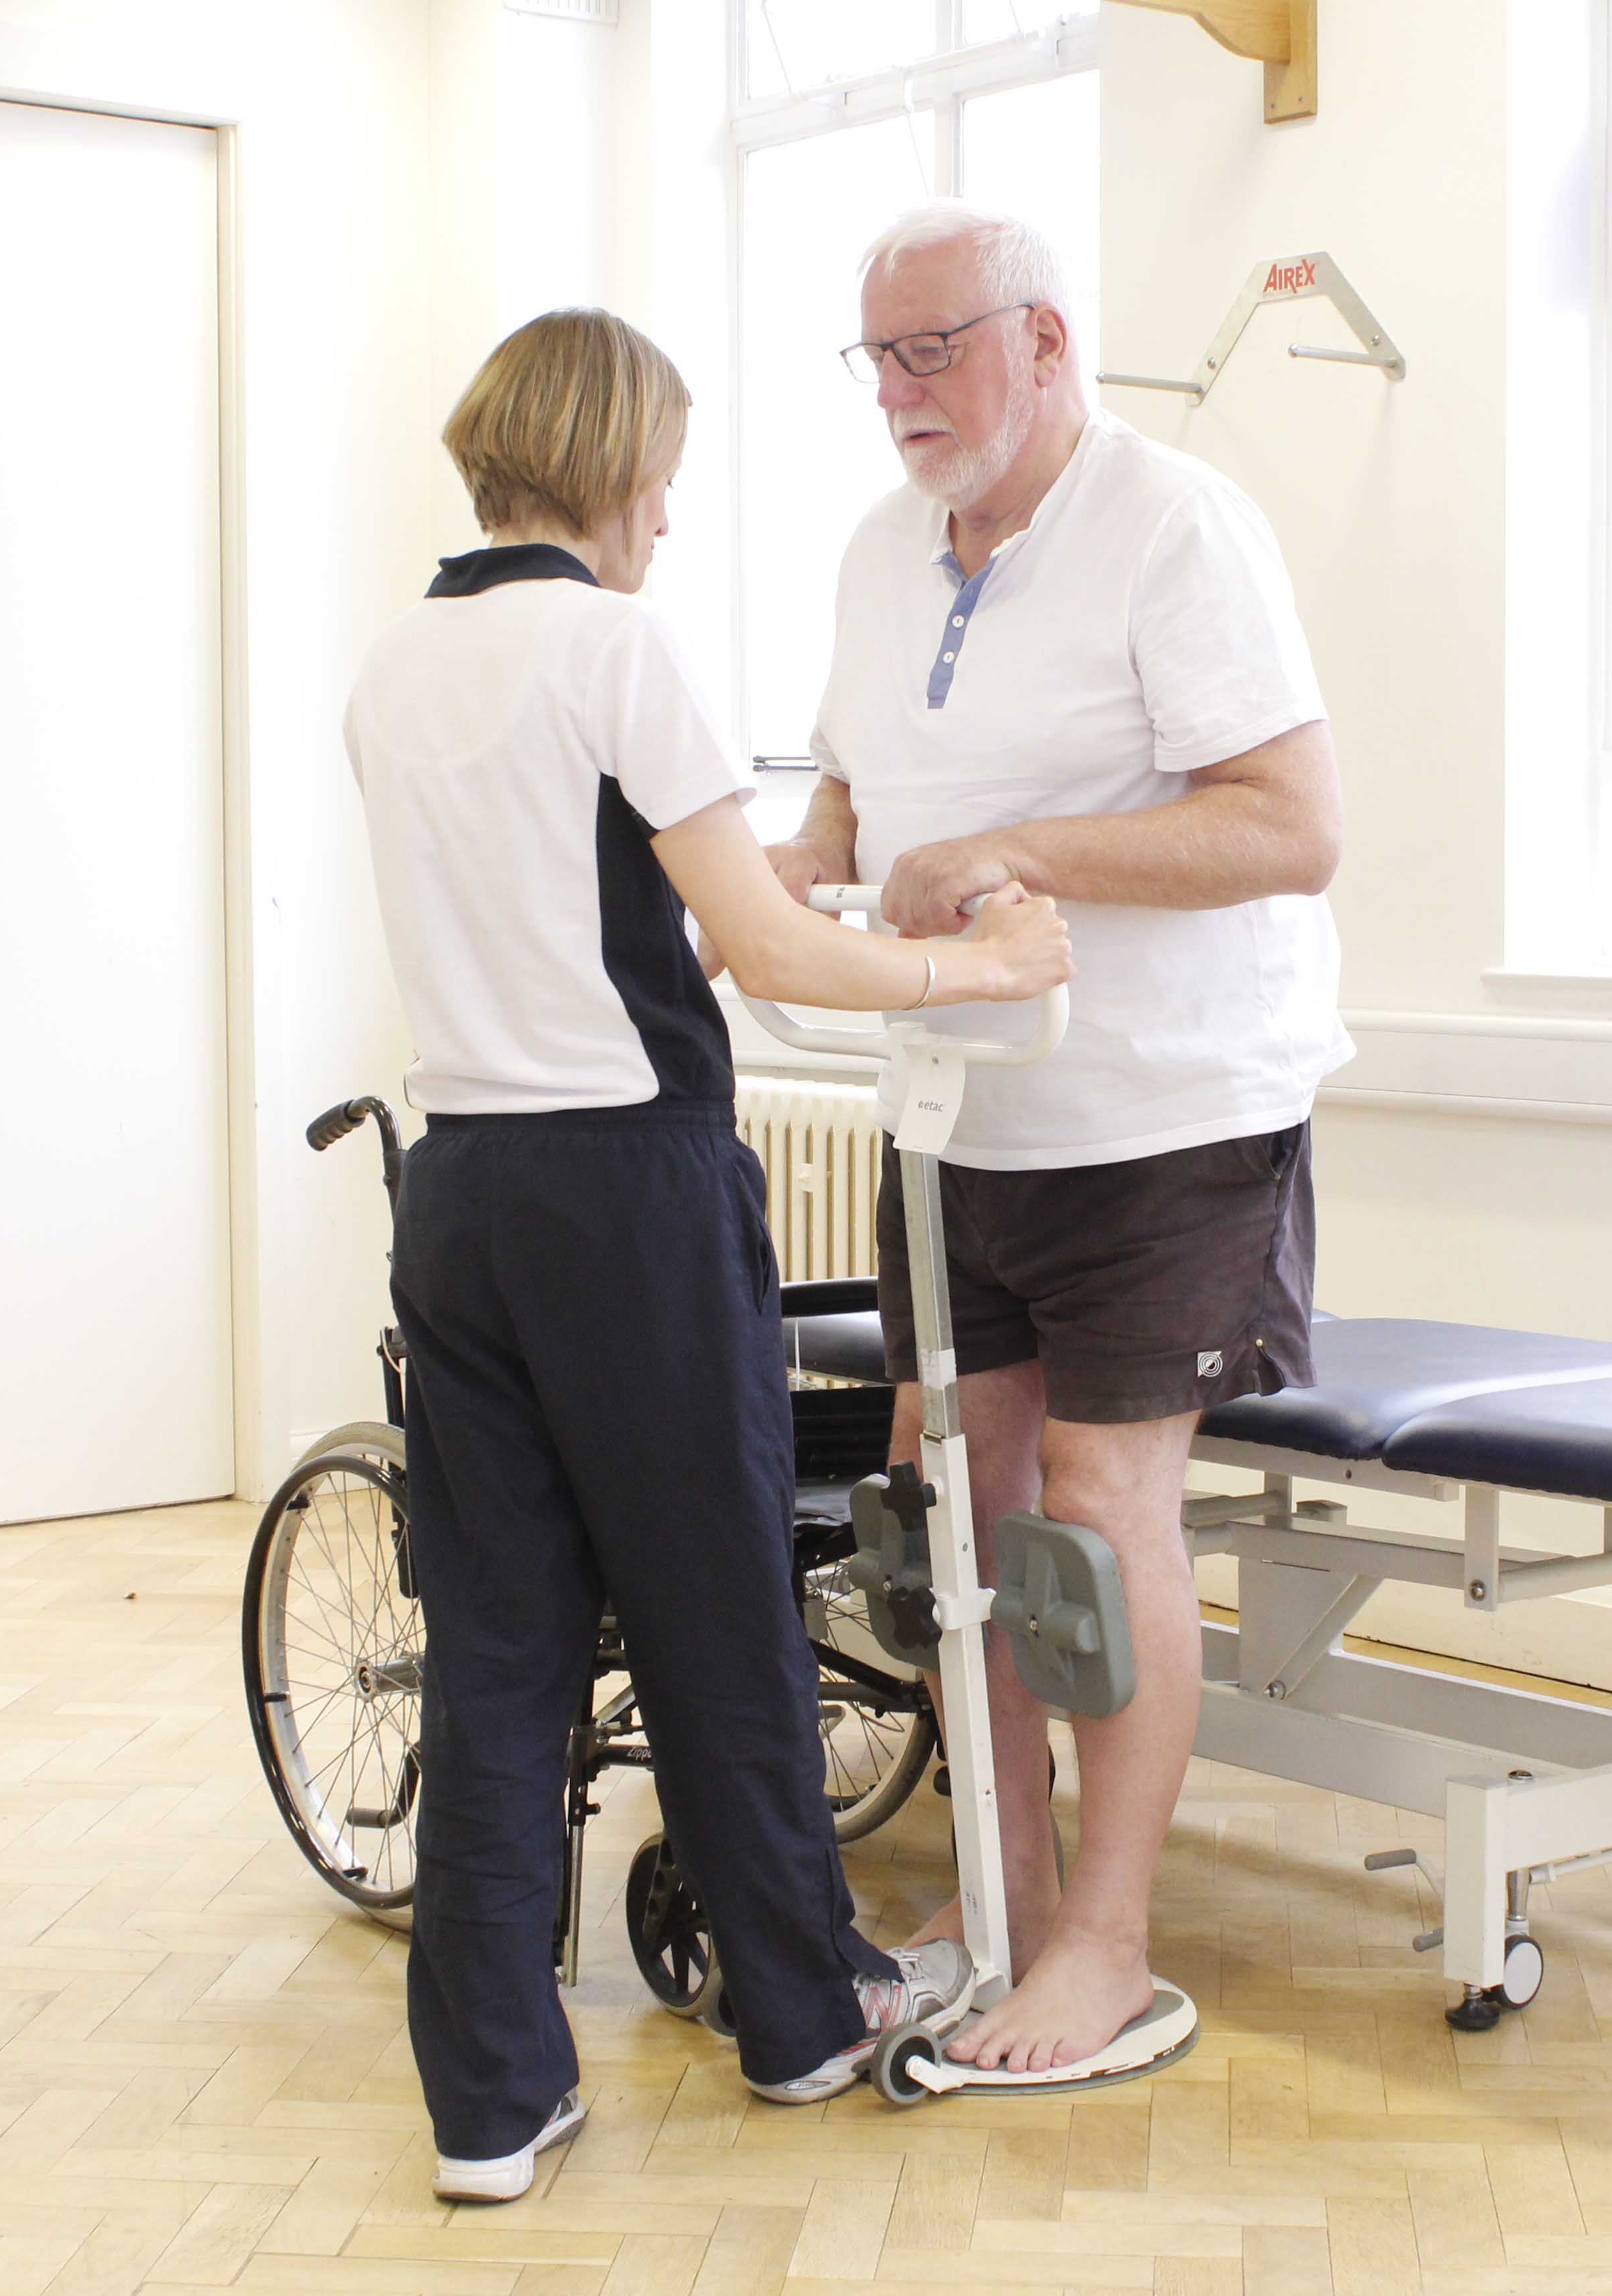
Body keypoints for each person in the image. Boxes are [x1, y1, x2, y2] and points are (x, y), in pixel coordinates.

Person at [343, 308, 1073, 2200]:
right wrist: (978, 967)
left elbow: (602, 905)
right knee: (718, 1610)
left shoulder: (397, 663)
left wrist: (765, 891)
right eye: (662, 468)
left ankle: (493, 2104)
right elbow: (769, 958)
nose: (672, 506)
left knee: (501, 1651)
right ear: (605, 466)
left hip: (466, 1192)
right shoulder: (613, 644)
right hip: (625, 1196)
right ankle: (806, 2009)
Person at [767, 207, 1348, 2075]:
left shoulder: (1175, 526)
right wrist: (753, 882)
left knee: (1094, 1526)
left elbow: (1288, 826)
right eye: (873, 359)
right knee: (960, 1508)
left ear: (1042, 339)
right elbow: (856, 794)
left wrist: (1025, 853)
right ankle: (998, 1899)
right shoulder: (877, 553)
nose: (895, 396)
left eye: (929, 351)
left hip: (1166, 1121)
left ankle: (1106, 1943)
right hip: (954, 1113)